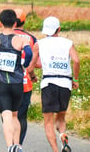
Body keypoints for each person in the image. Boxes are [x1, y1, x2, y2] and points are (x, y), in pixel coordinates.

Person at [0, 9, 33, 152]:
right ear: (15, 23)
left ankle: (10, 146)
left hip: (2, 83)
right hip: (17, 82)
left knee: (6, 115)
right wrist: (24, 64)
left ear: (0, 23)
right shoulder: (21, 40)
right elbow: (29, 53)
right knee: (15, 115)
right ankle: (17, 145)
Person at [27, 16, 80, 152]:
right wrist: (75, 79)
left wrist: (32, 77)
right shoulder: (68, 43)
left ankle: (56, 150)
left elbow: (30, 67)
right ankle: (63, 136)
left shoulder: (39, 44)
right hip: (65, 83)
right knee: (61, 117)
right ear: (59, 29)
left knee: (48, 122)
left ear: (45, 30)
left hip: (48, 83)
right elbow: (76, 61)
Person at [13, 10, 38, 146]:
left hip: (7, 82)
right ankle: (19, 145)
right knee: (21, 116)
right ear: (24, 21)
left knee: (8, 115)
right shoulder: (32, 39)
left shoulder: (3, 36)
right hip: (25, 82)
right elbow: (37, 61)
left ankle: (11, 143)